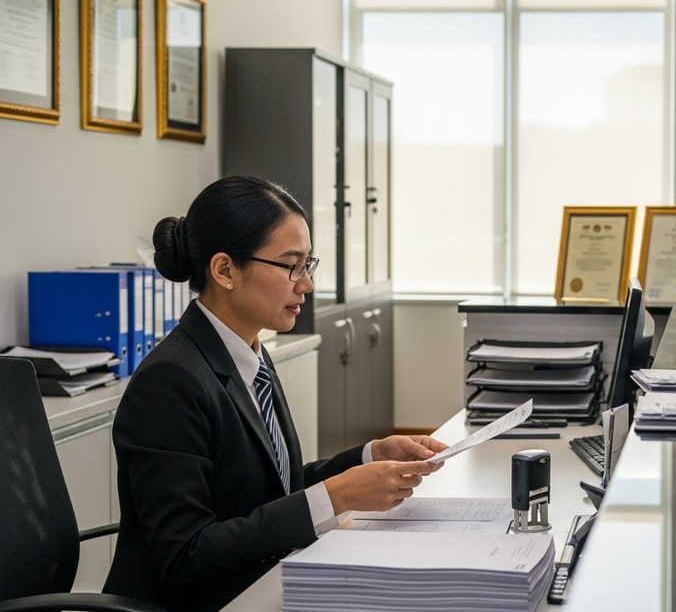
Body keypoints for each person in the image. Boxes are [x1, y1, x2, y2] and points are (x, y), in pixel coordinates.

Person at [103, 176, 448, 611]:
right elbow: (186, 556)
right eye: (291, 266)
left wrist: (370, 456)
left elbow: (268, 490)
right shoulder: (170, 381)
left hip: (259, 583)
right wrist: (338, 496)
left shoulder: (249, 354)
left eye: (308, 265)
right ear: (225, 270)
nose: (305, 284)